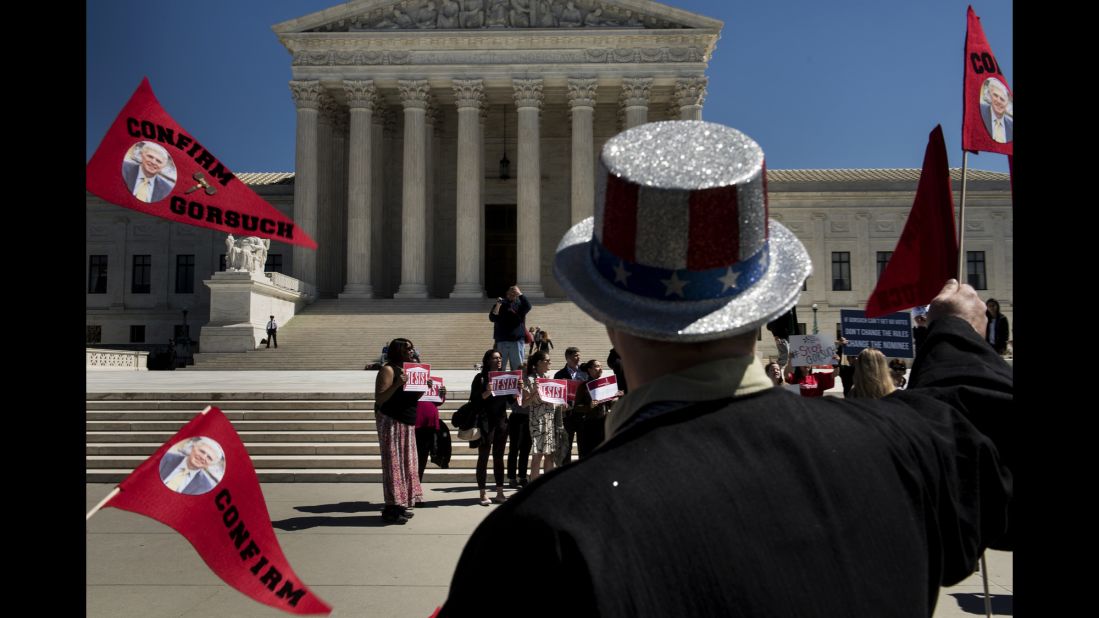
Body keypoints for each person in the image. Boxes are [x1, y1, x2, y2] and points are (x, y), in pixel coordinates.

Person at [438, 121, 1012, 617]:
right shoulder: (902, 456)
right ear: (766, 302)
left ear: (608, 317)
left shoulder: (543, 543)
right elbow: (979, 426)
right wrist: (956, 332)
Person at [374, 338, 424, 524]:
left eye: (412, 348)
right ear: (399, 351)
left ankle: (401, 504)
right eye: (408, 349)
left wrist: (423, 388)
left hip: (407, 421)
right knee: (393, 465)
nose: (412, 351)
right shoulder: (388, 369)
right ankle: (390, 508)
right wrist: (396, 384)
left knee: (406, 465)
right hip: (391, 421)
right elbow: (380, 399)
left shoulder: (410, 370)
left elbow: (412, 397)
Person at [469, 349, 511, 506]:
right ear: (487, 361)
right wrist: (487, 392)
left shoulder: (506, 378)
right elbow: (474, 401)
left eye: (500, 358)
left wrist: (516, 391)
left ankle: (500, 492)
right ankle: (482, 492)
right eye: (495, 358)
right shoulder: (480, 378)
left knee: (499, 458)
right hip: (485, 423)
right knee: (484, 457)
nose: (499, 360)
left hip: (501, 422)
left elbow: (512, 402)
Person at [521, 350, 560, 481]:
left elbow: (554, 401)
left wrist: (562, 402)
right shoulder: (530, 379)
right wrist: (535, 393)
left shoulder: (549, 378)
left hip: (550, 419)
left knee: (550, 454)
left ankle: (547, 486)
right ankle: (534, 487)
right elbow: (524, 404)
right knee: (538, 454)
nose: (550, 363)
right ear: (539, 363)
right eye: (547, 360)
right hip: (537, 420)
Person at [571, 359, 620, 458]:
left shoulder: (606, 384)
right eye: (597, 366)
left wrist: (615, 397)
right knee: (587, 455)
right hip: (588, 426)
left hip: (603, 423)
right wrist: (589, 406)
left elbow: (609, 404)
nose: (600, 369)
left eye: (601, 366)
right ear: (589, 370)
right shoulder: (583, 386)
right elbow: (576, 407)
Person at [552, 346, 588, 463]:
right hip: (567, 416)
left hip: (582, 414)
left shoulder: (584, 373)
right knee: (566, 447)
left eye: (579, 355)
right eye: (575, 356)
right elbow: (556, 395)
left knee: (583, 446)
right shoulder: (559, 374)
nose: (578, 358)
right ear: (568, 358)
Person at [159, 437, 224, 496]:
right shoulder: (165, 458)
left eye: (209, 457)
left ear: (210, 464)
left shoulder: (205, 487)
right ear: (193, 448)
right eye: (202, 451)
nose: (203, 457)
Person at [489, 285, 531, 371]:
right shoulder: (500, 304)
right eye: (510, 293)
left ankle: (518, 384)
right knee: (499, 368)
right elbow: (492, 318)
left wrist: (520, 294)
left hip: (516, 341)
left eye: (514, 293)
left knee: (518, 368)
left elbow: (528, 306)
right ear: (506, 294)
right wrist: (498, 305)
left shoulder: (520, 306)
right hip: (501, 340)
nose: (512, 294)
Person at [979, 78, 1013, 144]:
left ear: (1007, 103)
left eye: (1002, 99)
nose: (998, 101)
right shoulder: (980, 111)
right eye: (995, 95)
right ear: (990, 95)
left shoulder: (1011, 125)